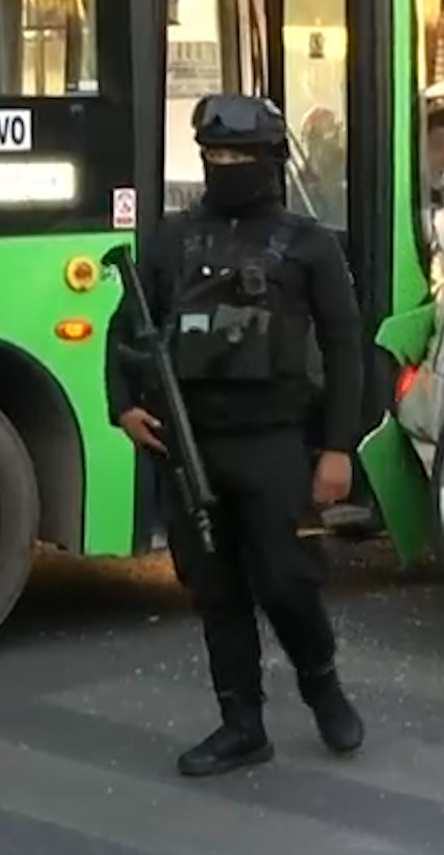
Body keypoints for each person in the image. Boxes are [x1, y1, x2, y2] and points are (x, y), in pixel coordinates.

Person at [106, 93, 366, 778]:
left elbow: (345, 349)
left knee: (286, 583)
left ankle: (322, 687)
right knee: (215, 592)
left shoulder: (308, 246)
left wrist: (338, 447)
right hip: (191, 445)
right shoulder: (170, 240)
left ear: (272, 160)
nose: (228, 168)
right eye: (216, 156)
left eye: (241, 157)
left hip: (275, 444)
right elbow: (128, 328)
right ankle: (241, 724)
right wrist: (123, 408)